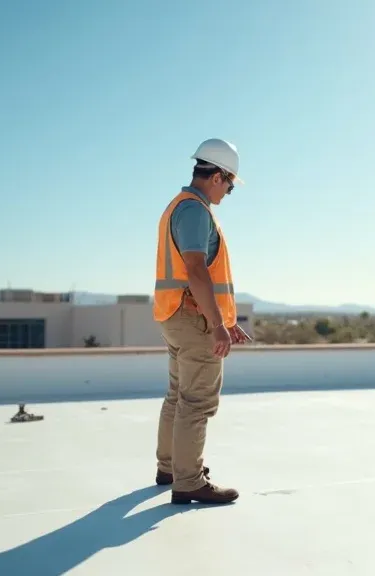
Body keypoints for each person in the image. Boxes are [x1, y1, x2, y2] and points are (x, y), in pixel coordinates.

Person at [152, 138, 252, 505]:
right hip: (194, 321)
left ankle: (170, 468)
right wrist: (217, 325)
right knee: (196, 402)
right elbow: (195, 270)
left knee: (178, 397)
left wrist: (227, 318)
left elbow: (196, 273)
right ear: (218, 176)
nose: (229, 191)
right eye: (229, 184)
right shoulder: (195, 210)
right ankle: (188, 481)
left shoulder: (179, 207)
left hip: (176, 315)